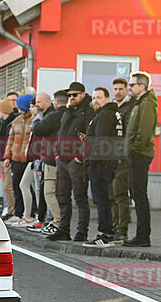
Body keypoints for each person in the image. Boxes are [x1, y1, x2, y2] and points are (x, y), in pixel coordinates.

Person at [47, 82, 95, 242]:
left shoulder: (88, 112)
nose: (72, 97)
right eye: (69, 95)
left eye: (75, 95)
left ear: (83, 94)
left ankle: (82, 232)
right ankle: (63, 230)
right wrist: (57, 154)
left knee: (80, 197)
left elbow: (90, 137)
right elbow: (61, 133)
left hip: (76, 162)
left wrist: (79, 157)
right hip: (62, 160)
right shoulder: (68, 111)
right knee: (62, 195)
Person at [83, 87, 121, 248]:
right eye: (93, 98)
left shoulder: (105, 115)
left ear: (107, 99)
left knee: (101, 200)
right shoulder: (106, 115)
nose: (95, 101)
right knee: (103, 199)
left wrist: (91, 161)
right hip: (105, 162)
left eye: (99, 97)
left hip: (101, 163)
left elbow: (101, 141)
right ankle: (106, 234)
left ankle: (105, 235)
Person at [123, 71, 158, 247]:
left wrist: (133, 151)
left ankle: (143, 236)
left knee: (140, 195)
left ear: (142, 87)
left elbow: (143, 132)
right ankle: (141, 235)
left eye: (132, 85)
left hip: (140, 154)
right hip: (135, 153)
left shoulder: (147, 104)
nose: (129, 87)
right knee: (137, 194)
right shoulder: (139, 103)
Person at [28, 90, 68, 236]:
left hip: (51, 158)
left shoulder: (53, 116)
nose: (36, 105)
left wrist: (37, 120)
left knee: (49, 192)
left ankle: (57, 222)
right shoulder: (64, 115)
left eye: (38, 102)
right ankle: (54, 221)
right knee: (53, 191)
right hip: (54, 157)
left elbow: (39, 129)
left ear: (52, 102)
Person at [109, 77, 135, 243]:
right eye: (115, 89)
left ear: (126, 90)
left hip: (123, 158)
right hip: (108, 157)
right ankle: (114, 226)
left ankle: (122, 230)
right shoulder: (112, 107)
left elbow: (127, 134)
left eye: (121, 89)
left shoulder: (130, 108)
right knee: (111, 194)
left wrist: (121, 154)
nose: (118, 92)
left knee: (120, 194)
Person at [4, 94, 36, 227]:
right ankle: (19, 213)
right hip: (16, 158)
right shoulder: (17, 120)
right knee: (17, 186)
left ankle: (32, 213)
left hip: (28, 159)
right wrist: (7, 156)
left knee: (30, 188)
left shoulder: (34, 121)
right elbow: (10, 140)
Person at [0, 98, 18, 220]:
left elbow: (9, 142)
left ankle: (11, 210)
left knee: (8, 186)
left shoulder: (10, 124)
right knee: (6, 186)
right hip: (2, 157)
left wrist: (7, 156)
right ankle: (9, 209)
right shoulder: (3, 123)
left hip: (6, 158)